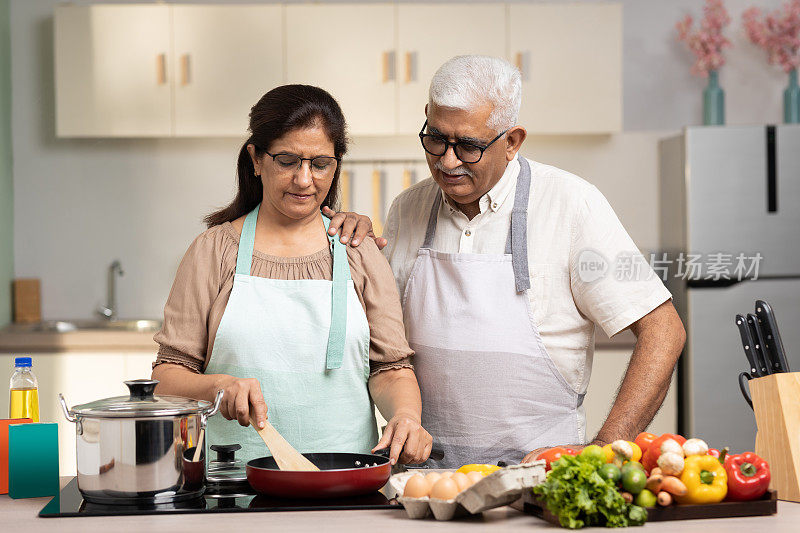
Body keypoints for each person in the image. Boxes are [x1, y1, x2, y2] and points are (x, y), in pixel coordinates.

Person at [326, 56, 686, 467]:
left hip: (543, 482)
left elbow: (663, 330)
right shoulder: (407, 208)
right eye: (436, 139)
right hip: (426, 482)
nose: (447, 161)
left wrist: (608, 445)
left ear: (512, 141)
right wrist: (349, 246)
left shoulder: (570, 204)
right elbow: (379, 342)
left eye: (469, 146)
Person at [152, 85, 432, 465]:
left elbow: (390, 369)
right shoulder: (213, 251)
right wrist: (217, 386)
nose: (305, 180)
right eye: (287, 161)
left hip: (346, 479)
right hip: (233, 482)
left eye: (320, 164)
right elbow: (167, 378)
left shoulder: (358, 249)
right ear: (256, 159)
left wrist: (405, 416)